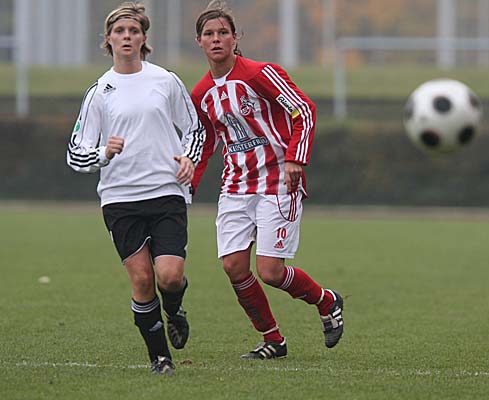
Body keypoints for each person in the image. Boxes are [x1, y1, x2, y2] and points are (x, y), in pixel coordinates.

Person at [190, 0, 344, 359]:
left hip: (277, 182)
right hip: (235, 186)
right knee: (233, 267)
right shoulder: (200, 94)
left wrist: (295, 159)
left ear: (235, 37)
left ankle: (326, 301)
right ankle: (273, 340)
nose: (216, 39)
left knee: (271, 272)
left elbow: (303, 109)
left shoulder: (260, 73)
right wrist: (189, 183)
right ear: (199, 41)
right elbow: (206, 141)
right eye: (209, 34)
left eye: (223, 32)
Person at [66, 2, 203, 375]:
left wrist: (189, 158)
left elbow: (195, 129)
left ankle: (174, 309)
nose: (126, 37)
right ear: (108, 40)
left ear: (144, 39)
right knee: (142, 279)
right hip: (121, 198)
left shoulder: (165, 80)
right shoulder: (100, 91)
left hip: (166, 191)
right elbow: (75, 153)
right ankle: (160, 358)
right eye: (119, 31)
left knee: (169, 276)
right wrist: (103, 152)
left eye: (133, 31)